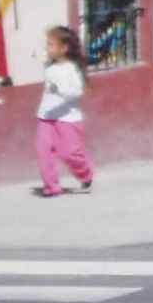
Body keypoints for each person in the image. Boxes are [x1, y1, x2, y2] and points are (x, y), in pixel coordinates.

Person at [35, 26, 93, 199]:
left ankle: (85, 174)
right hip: (45, 117)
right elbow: (43, 56)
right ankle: (51, 187)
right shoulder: (49, 67)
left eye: (51, 45)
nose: (47, 48)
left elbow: (77, 92)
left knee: (69, 153)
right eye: (47, 44)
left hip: (67, 118)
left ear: (64, 49)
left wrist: (58, 90)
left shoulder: (71, 69)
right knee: (43, 151)